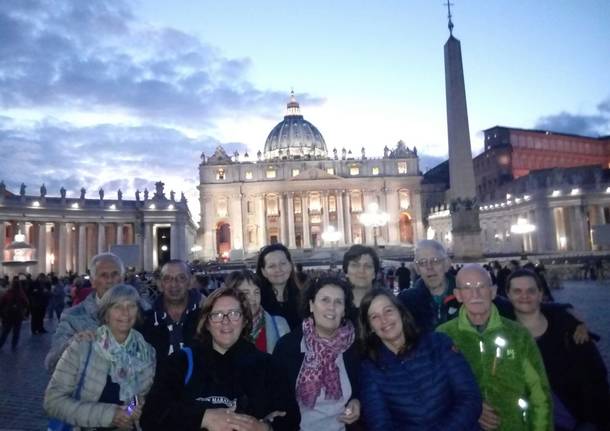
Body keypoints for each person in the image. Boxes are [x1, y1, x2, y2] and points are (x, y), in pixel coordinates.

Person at [140, 285, 297, 430]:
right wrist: (203, 418)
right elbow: (151, 416)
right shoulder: (180, 362)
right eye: (217, 315)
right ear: (207, 323)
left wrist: (265, 428)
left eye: (234, 314)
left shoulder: (268, 366)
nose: (226, 321)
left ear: (245, 321)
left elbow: (290, 418)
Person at [438, 264, 553, 431]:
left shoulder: (517, 334)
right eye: (468, 288)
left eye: (481, 286)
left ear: (492, 292)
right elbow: (435, 392)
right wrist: (472, 407)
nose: (475, 294)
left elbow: (539, 393)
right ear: (458, 295)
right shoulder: (443, 335)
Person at [359, 287, 481, 430]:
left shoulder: (438, 343)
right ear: (370, 327)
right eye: (375, 317)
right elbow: (380, 424)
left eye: (388, 310)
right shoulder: (370, 369)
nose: (384, 320)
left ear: (400, 312)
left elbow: (469, 397)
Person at [506, 269, 610, 430]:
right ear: (508, 295)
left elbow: (597, 381)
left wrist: (592, 423)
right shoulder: (504, 336)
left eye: (531, 291)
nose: (524, 296)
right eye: (517, 291)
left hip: (577, 423)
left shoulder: (571, 333)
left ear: (541, 294)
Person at [44, 284, 156, 430]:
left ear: (138, 312)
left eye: (131, 306)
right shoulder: (82, 346)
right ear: (106, 314)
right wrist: (111, 416)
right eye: (117, 307)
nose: (125, 313)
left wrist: (127, 414)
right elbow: (53, 401)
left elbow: (138, 397)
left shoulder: (147, 353)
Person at [273, 275, 361, 431]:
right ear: (311, 305)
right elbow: (277, 401)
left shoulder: (354, 346)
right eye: (325, 300)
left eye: (338, 302)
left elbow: (363, 387)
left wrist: (357, 401)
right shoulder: (287, 347)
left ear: (344, 310)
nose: (331, 307)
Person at [45, 252, 125, 372]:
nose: (110, 280)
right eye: (103, 275)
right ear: (92, 281)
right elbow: (51, 364)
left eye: (115, 274)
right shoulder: (72, 316)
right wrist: (73, 344)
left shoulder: (144, 311)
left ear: (122, 279)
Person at [139, 260, 202, 367]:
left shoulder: (206, 317)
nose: (174, 284)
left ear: (190, 282)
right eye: (167, 278)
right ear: (160, 284)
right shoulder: (146, 321)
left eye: (181, 278)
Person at [398, 240, 462, 333]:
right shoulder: (406, 301)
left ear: (447, 264)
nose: (429, 267)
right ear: (417, 269)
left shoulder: (466, 295)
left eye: (435, 261)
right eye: (422, 262)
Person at [226, 269, 290, 353]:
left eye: (256, 292)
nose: (253, 298)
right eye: (246, 293)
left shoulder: (280, 325)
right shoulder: (221, 327)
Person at [256, 243, 301, 329]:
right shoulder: (257, 302)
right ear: (263, 272)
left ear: (290, 266)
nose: (278, 269)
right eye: (272, 266)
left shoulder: (303, 300)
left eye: (283, 264)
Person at [0, 276, 30, 351]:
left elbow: (2, 303)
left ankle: (1, 345)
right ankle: (14, 345)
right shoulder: (21, 293)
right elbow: (26, 303)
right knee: (16, 332)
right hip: (18, 315)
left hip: (8, 315)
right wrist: (24, 312)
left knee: (5, 332)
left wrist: (3, 313)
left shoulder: (8, 293)